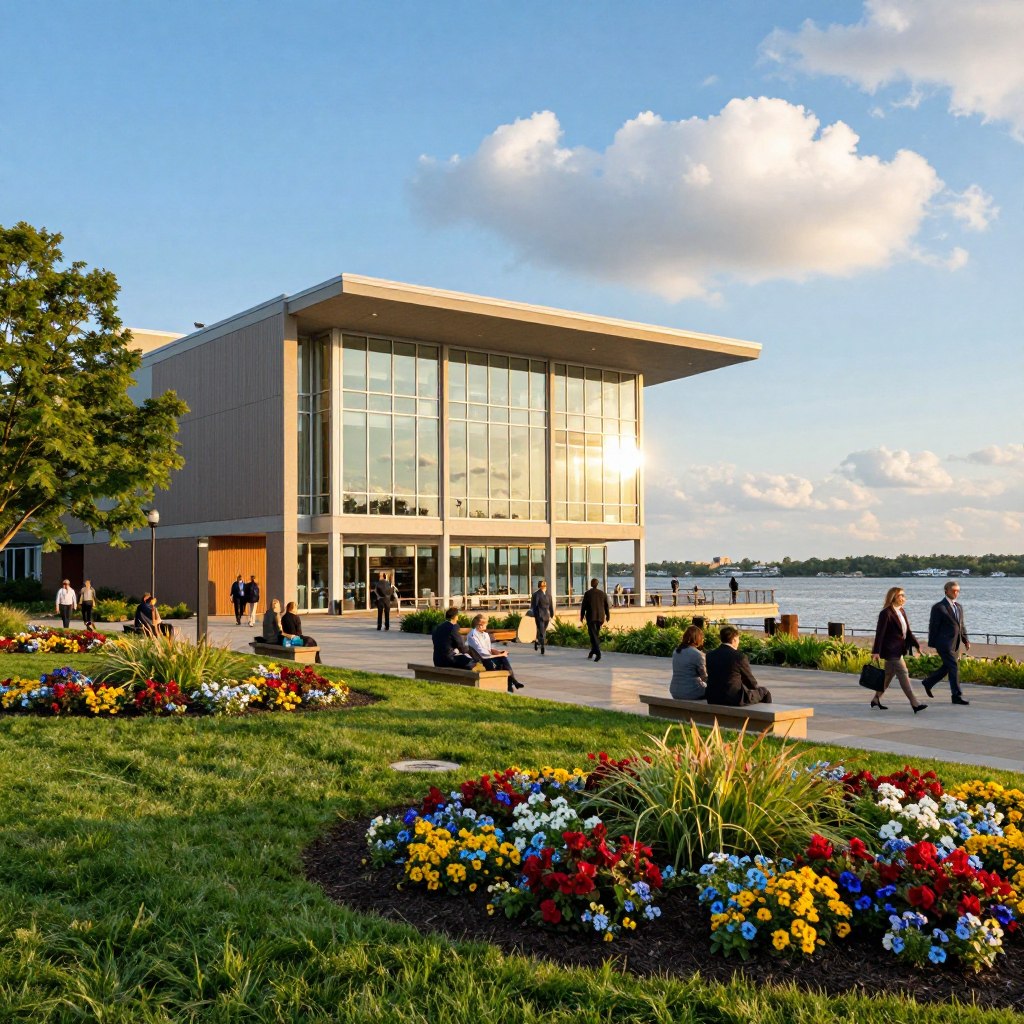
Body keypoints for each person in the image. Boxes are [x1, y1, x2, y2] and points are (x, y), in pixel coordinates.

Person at [870, 586, 926, 713]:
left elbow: (907, 632)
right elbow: (880, 633)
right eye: (900, 595)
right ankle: (914, 703)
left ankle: (876, 699)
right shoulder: (886, 613)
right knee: (903, 673)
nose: (903, 598)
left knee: (888, 676)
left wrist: (917, 645)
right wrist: (876, 651)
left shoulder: (902, 611)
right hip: (891, 651)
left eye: (903, 595)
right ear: (893, 597)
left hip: (899, 649)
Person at [921, 581, 971, 706]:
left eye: (958, 591)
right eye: (954, 590)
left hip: (956, 643)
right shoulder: (939, 607)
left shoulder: (958, 606)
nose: (956, 593)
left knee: (947, 667)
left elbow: (961, 625)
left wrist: (965, 639)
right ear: (946, 591)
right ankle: (956, 695)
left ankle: (928, 682)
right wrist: (933, 643)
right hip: (944, 643)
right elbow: (933, 626)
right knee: (953, 667)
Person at [705, 625, 771, 706]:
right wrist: (758, 690)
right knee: (764, 692)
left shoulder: (710, 655)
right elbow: (750, 681)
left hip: (713, 697)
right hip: (734, 698)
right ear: (734, 639)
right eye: (738, 639)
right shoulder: (739, 657)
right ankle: (765, 717)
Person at [468, 613, 524, 693]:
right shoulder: (472, 635)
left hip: (488, 658)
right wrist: (500, 655)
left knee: (503, 660)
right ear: (480, 625)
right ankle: (512, 683)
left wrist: (499, 652)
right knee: (502, 660)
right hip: (482, 660)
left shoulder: (485, 634)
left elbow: (488, 649)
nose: (486, 626)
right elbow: (482, 652)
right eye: (485, 624)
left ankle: (511, 684)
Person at [670, 625, 708, 700]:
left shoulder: (676, 651)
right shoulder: (698, 654)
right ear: (697, 638)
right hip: (692, 691)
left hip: (674, 690)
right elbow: (704, 677)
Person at [579, 578, 610, 662]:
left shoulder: (588, 593)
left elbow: (583, 606)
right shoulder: (602, 593)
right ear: (597, 584)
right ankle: (592, 651)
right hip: (600, 618)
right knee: (595, 634)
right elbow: (606, 606)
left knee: (593, 635)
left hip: (591, 617)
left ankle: (598, 653)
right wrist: (608, 615)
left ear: (591, 584)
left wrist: (581, 616)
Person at [530, 579, 554, 655]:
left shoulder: (548, 595)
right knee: (541, 630)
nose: (545, 587)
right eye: (544, 586)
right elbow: (534, 606)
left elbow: (550, 605)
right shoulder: (536, 594)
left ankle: (537, 641)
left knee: (543, 631)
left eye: (545, 586)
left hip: (547, 615)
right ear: (541, 586)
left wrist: (552, 614)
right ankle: (542, 646)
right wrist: (536, 614)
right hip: (539, 615)